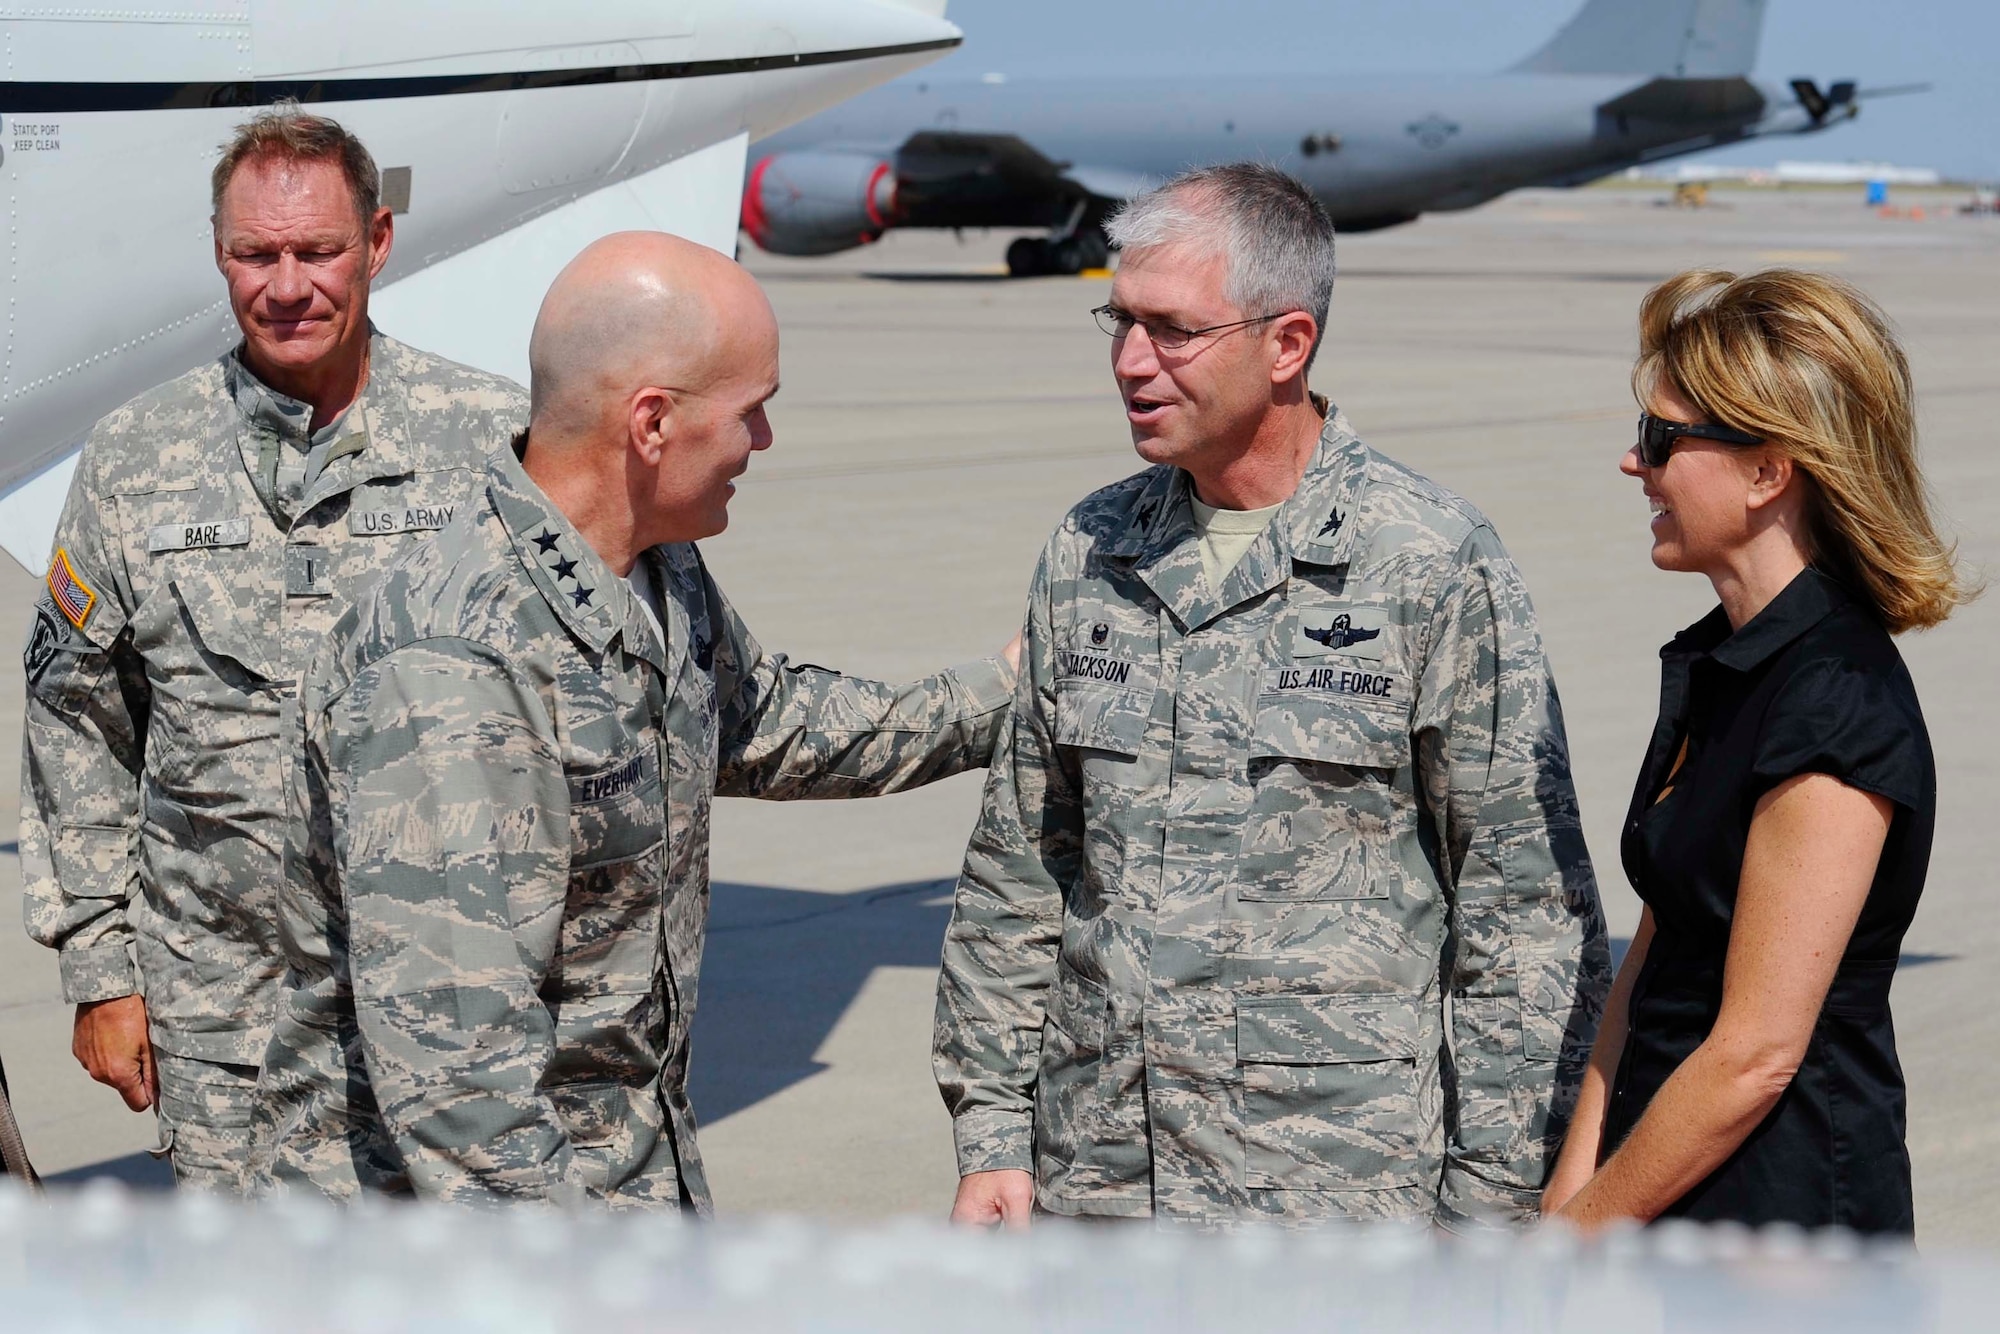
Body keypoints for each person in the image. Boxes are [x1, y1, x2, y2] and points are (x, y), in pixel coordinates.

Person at [252, 232, 1019, 1208]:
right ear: (651, 424)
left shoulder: (652, 568)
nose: (765, 443)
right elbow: (459, 1088)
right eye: (753, 412)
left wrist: (998, 690)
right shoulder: (455, 668)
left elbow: (761, 719)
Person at [933, 164, 1609, 1229]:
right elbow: (1021, 865)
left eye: (1169, 329)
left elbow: (1520, 911)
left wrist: (1492, 1203)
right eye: (1117, 319)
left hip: (1334, 1200)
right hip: (1102, 1185)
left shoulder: (1425, 560)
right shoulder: (1090, 548)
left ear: (1286, 342)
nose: (1128, 361)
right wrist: (990, 1136)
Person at [18, 105, 527, 1190]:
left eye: (317, 250)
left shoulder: (491, 444)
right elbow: (75, 723)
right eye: (256, 253)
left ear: (378, 243)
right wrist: (102, 971)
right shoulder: (136, 459)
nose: (286, 285)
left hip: (447, 1013)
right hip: (222, 1022)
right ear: (219, 254)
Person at [1544, 270, 1973, 1234]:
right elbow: (1654, 960)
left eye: (1662, 439)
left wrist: (1575, 1243)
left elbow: (1757, 1054)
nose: (1633, 463)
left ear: (1768, 470)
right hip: (1658, 1202)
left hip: (1782, 1232)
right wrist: (1568, 1198)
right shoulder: (1728, 665)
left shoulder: (1834, 704)